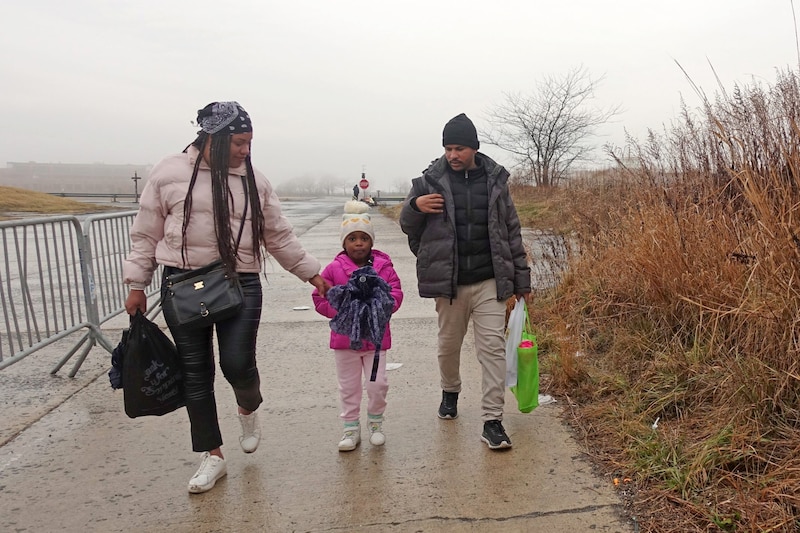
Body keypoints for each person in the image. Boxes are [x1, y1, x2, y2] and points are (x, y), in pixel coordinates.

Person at [123, 101, 330, 493]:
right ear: (212, 138)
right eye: (238, 142)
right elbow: (145, 233)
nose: (245, 151)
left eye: (249, 142)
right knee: (196, 374)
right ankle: (211, 455)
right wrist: (136, 284)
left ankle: (248, 407)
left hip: (241, 281)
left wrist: (312, 273)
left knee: (237, 364)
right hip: (182, 284)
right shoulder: (169, 173)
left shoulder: (255, 181)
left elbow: (279, 236)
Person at [399, 113, 532, 450]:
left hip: (490, 281)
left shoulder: (496, 182)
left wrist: (521, 280)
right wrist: (416, 207)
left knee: (492, 349)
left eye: (459, 148)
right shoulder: (427, 183)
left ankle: (493, 421)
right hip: (451, 285)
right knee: (448, 346)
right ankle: (450, 391)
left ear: (474, 148)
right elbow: (407, 225)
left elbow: (511, 232)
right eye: (447, 148)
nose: (452, 155)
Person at [312, 201, 403, 451]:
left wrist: (382, 307)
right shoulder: (333, 269)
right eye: (352, 238)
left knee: (378, 384)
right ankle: (350, 428)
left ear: (371, 241)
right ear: (344, 243)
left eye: (364, 238)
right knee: (349, 387)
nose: (359, 243)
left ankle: (375, 422)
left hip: (376, 340)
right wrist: (342, 311)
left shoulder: (383, 267)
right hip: (344, 341)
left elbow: (395, 292)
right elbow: (320, 297)